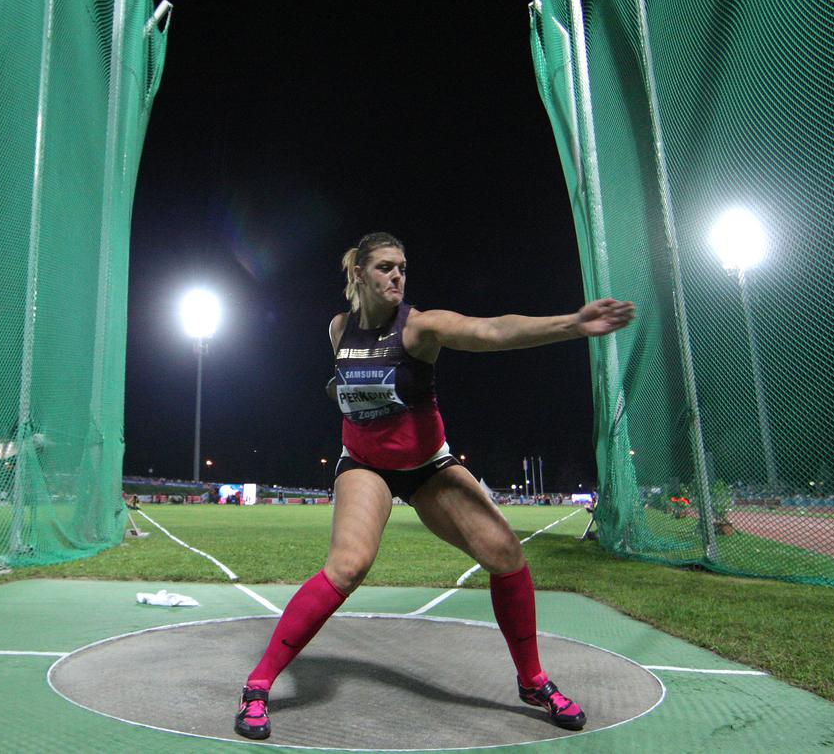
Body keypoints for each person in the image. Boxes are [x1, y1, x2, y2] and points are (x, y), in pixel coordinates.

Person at [234, 232, 636, 740]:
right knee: (348, 565)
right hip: (365, 465)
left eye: (402, 267)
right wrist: (343, 391)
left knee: (506, 554)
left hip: (427, 466)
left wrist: (573, 324)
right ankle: (257, 686)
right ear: (359, 273)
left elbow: (492, 330)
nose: (397, 276)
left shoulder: (420, 327)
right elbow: (348, 383)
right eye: (385, 267)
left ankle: (532, 681)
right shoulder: (338, 329)